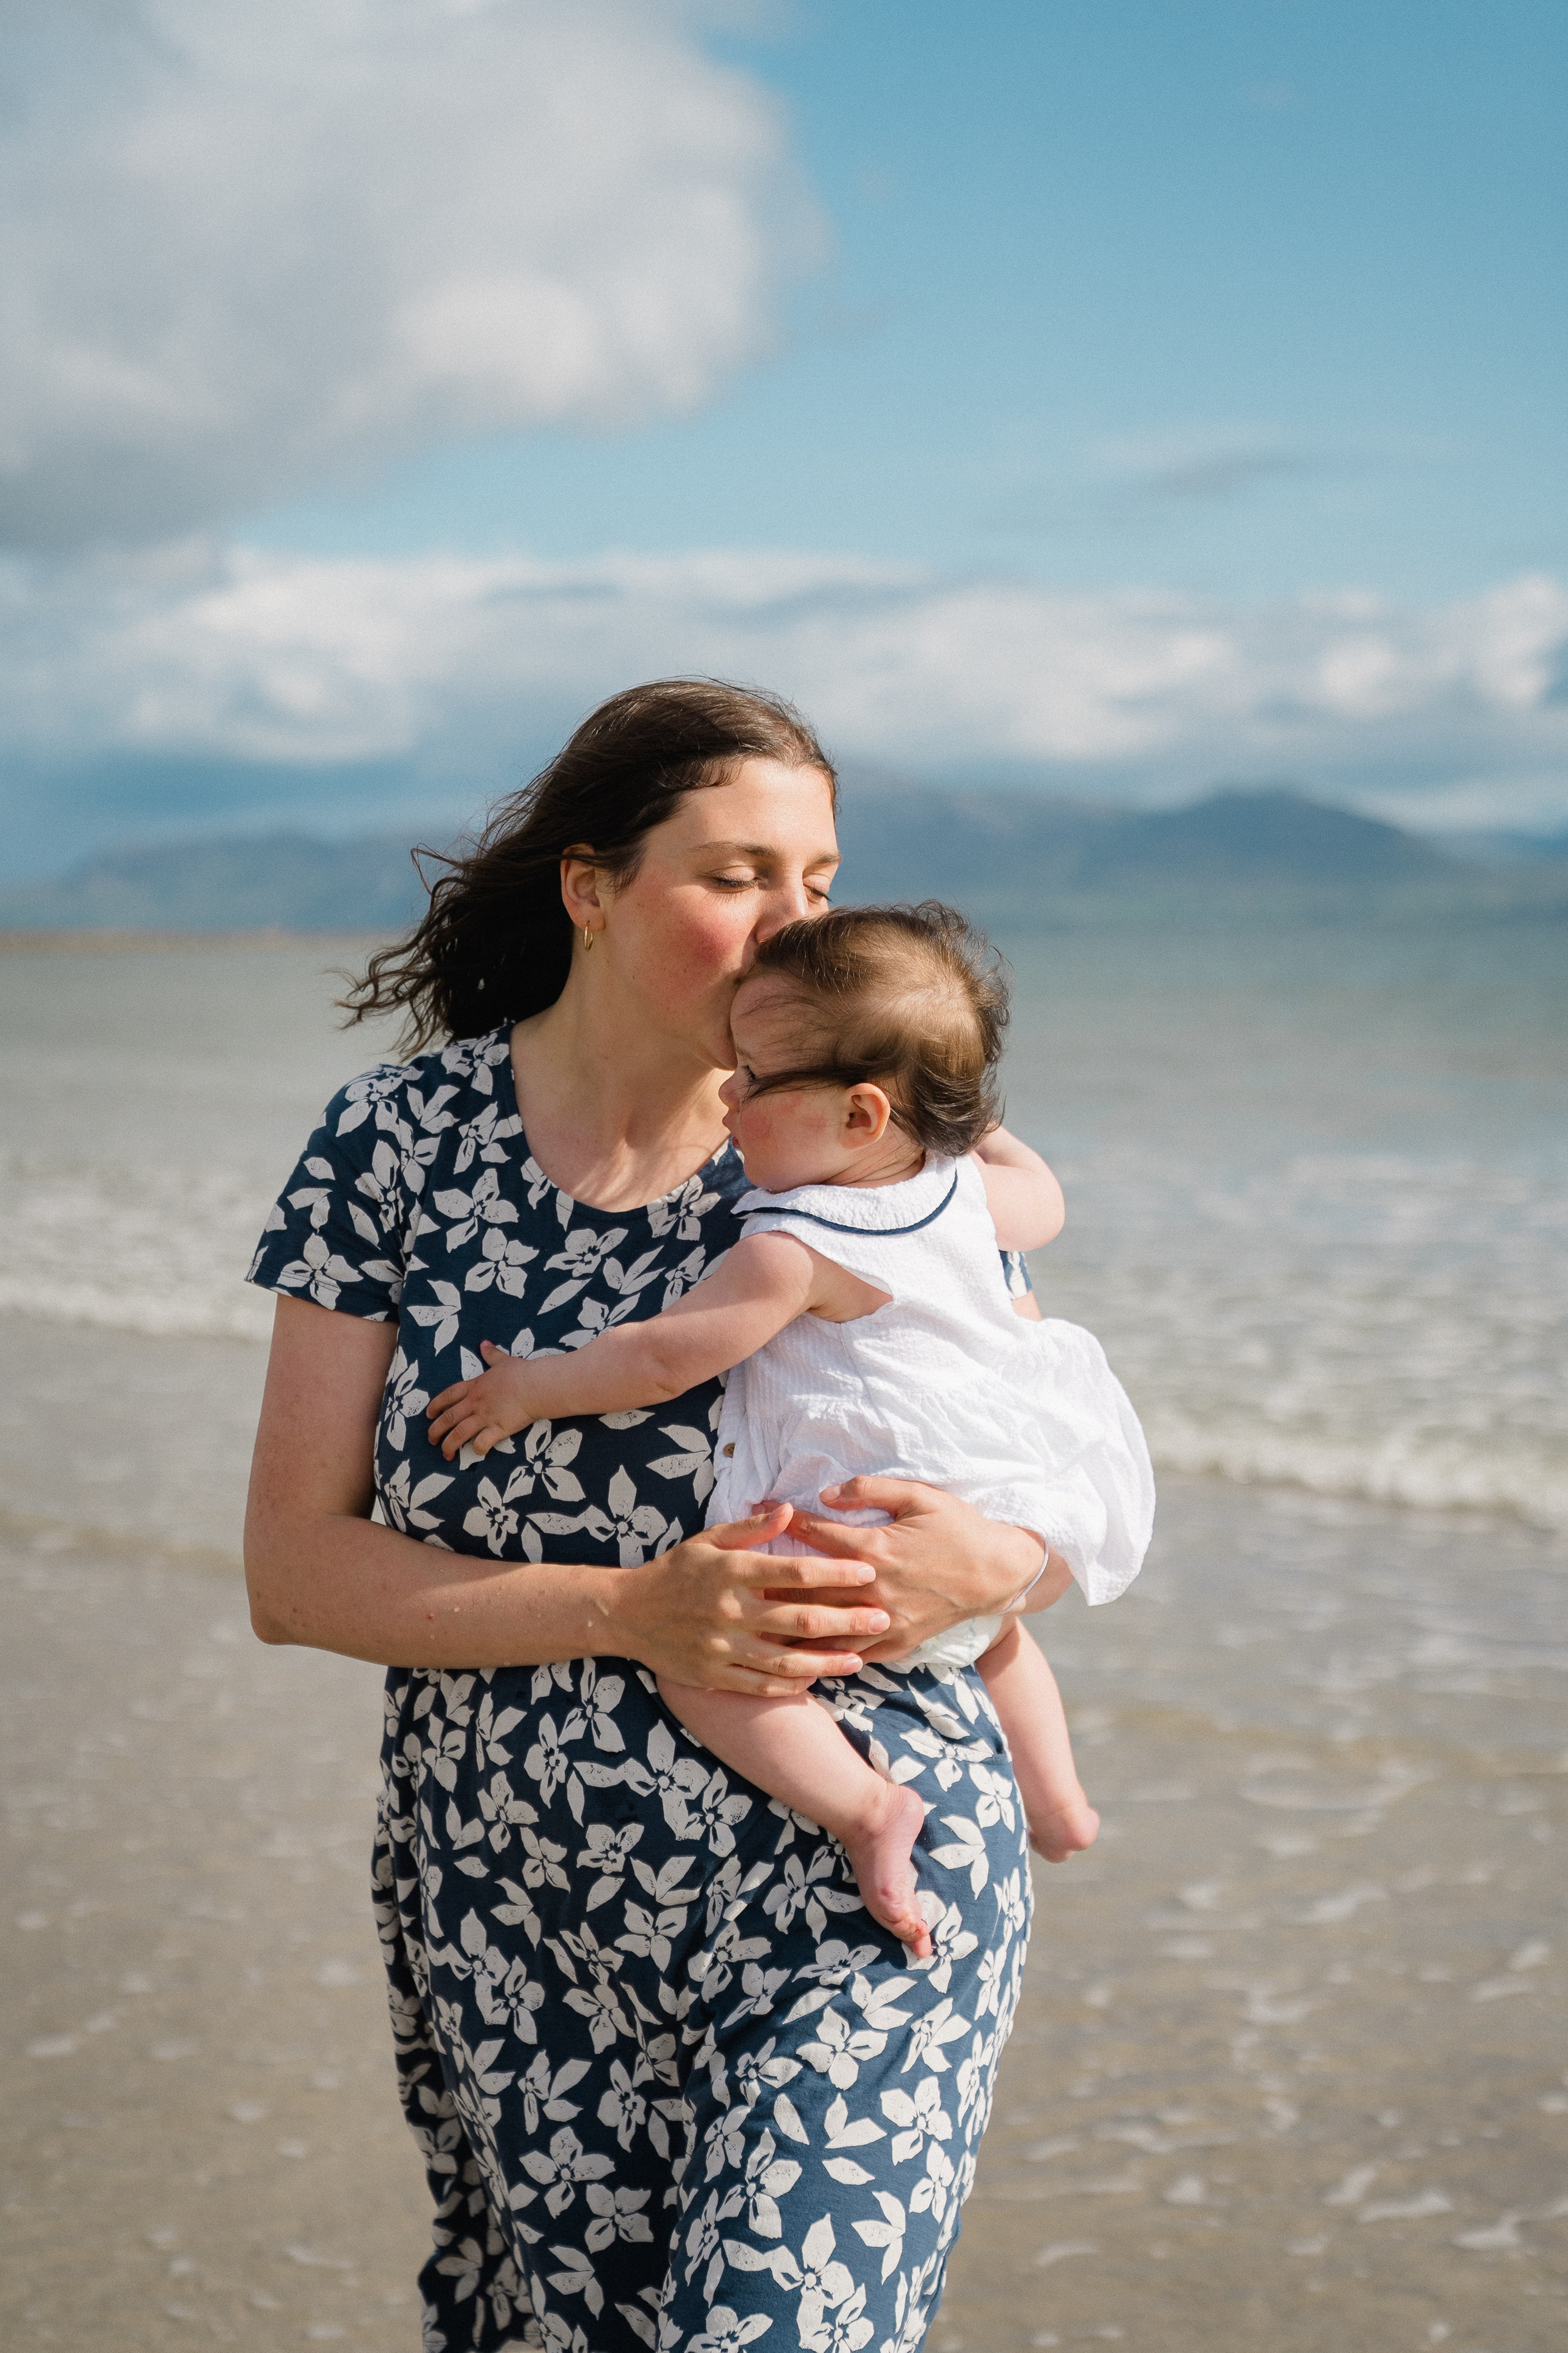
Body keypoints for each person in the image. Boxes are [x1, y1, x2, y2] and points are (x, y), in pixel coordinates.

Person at [244, 679, 1088, 2353]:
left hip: (862, 1862)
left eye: (822, 879)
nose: (796, 924)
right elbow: (293, 1568)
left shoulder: (860, 1135)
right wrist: (627, 1608)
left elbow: (1048, 1445)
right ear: (591, 887)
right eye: (738, 875)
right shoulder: (394, 1144)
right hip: (517, 1898)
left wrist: (1006, 1559)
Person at [422, 902, 1153, 1960]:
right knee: (996, 1633)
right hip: (974, 1500)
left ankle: (865, 1810)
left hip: (847, 1519)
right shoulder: (959, 1193)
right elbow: (1046, 1195)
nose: (731, 1090)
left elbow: (667, 1355)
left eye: (759, 1080)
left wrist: (533, 1390)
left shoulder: (794, 1246)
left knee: (708, 1669)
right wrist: (956, 1112)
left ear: (861, 1117)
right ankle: (1060, 1798)